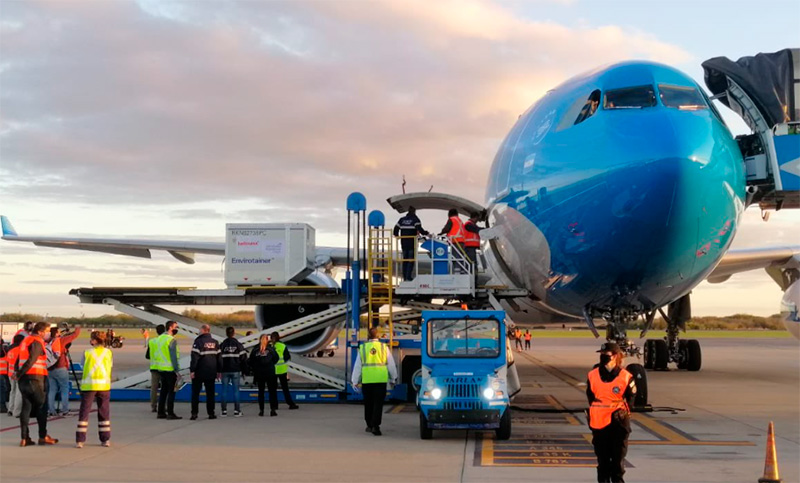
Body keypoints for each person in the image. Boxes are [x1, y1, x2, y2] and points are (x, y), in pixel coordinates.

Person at [586, 342, 636, 483]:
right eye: (601, 355)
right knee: (602, 462)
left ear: (615, 356)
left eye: (606, 355)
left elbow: (631, 399)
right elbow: (590, 396)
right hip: (599, 423)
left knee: (617, 462)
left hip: (618, 422)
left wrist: (621, 413)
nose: (603, 357)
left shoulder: (625, 376)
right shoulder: (593, 375)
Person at [13, 322, 59, 446]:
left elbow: (18, 360)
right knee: (42, 407)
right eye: (47, 331)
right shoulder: (36, 342)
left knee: (26, 407)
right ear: (40, 332)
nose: (49, 333)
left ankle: (24, 437)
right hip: (35, 378)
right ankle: (43, 436)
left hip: (24, 380)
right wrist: (20, 373)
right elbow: (31, 360)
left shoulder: (25, 340)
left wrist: (17, 373)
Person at [351, 327, 398, 436]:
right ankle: (376, 426)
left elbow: (358, 366)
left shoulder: (363, 348)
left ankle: (369, 424)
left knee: (368, 404)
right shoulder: (383, 348)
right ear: (378, 336)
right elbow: (390, 364)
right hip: (380, 380)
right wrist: (393, 378)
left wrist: (355, 381)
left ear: (368, 336)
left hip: (367, 381)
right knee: (378, 404)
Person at [75, 331, 113, 448]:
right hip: (103, 386)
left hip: (89, 385)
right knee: (104, 413)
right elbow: (110, 366)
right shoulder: (108, 352)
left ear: (95, 340)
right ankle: (105, 439)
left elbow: (82, 365)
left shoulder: (87, 352)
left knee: (84, 413)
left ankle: (80, 440)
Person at [47, 325, 81, 416]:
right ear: (56, 333)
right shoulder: (60, 340)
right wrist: (77, 328)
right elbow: (75, 335)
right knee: (64, 389)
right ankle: (65, 410)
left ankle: (51, 410)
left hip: (49, 369)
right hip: (60, 368)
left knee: (52, 390)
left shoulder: (48, 341)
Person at [190, 324, 221, 420]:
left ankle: (194, 413)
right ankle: (211, 413)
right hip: (211, 372)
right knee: (210, 394)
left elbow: (194, 358)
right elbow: (219, 359)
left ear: (203, 330)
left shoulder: (198, 342)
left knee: (195, 393)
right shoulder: (215, 342)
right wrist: (219, 371)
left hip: (199, 372)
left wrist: (192, 370)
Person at [154, 321, 182, 420]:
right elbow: (173, 356)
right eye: (176, 327)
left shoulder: (159, 339)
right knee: (172, 391)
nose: (177, 329)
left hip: (161, 368)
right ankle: (170, 413)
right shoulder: (171, 340)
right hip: (170, 369)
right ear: (170, 327)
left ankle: (160, 412)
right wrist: (177, 370)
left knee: (163, 391)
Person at [393, 206, 429, 281]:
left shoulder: (402, 219)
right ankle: (408, 277)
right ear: (414, 212)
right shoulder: (415, 219)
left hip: (403, 243)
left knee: (405, 260)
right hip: (412, 243)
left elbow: (396, 229)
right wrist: (426, 233)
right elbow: (420, 229)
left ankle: (405, 277)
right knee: (410, 260)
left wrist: (397, 235)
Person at [219, 326, 247, 417]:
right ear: (234, 333)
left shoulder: (222, 345)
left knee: (224, 391)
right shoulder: (238, 344)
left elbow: (218, 359)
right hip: (235, 370)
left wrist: (218, 370)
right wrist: (244, 371)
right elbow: (243, 359)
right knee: (236, 391)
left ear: (226, 333)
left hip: (224, 370)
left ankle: (224, 411)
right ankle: (237, 411)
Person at [249, 334, 278, 417]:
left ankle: (261, 410)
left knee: (261, 392)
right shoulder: (271, 349)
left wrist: (256, 367)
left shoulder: (255, 350)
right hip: (270, 372)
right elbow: (276, 359)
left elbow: (251, 361)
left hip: (260, 373)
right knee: (272, 392)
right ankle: (273, 410)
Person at [270, 332, 299, 412]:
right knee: (285, 388)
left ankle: (274, 406)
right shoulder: (283, 346)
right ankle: (290, 404)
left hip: (273, 371)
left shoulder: (270, 347)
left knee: (273, 389)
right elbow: (287, 357)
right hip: (282, 370)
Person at [144, 324, 166, 413]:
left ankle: (153, 406)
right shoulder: (166, 341)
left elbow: (147, 356)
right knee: (165, 388)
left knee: (154, 388)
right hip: (164, 368)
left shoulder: (152, 342)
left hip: (154, 367)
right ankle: (163, 405)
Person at [6, 333, 25, 417]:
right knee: (19, 392)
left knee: (12, 391)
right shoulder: (20, 349)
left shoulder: (10, 348)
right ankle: (17, 411)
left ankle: (10, 409)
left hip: (10, 373)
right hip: (17, 373)